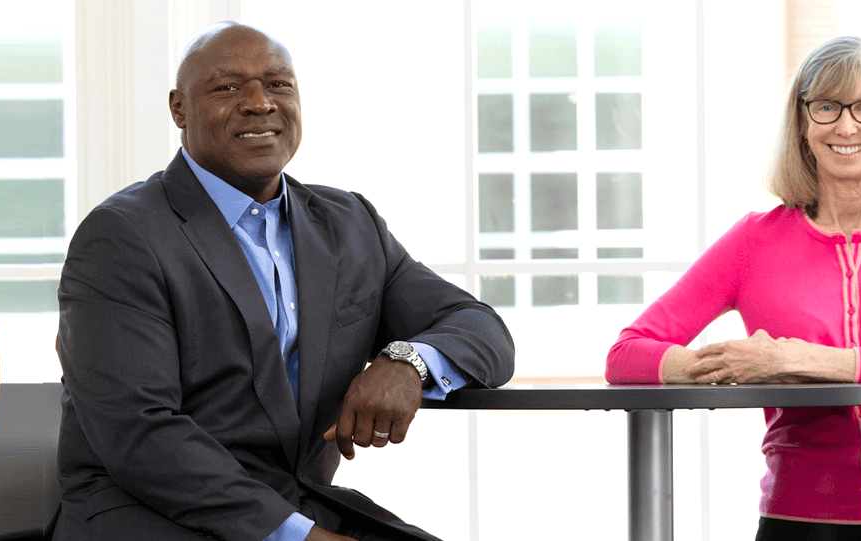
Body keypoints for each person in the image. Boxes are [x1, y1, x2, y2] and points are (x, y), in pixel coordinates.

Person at [51, 22, 515, 541]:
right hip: (148, 516)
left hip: (303, 502)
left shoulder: (348, 222)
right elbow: (139, 432)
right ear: (179, 109)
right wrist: (300, 537)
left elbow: (480, 328)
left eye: (278, 84)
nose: (259, 103)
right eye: (228, 87)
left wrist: (407, 363)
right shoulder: (122, 235)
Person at [606, 37, 861, 540]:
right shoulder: (753, 241)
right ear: (803, 125)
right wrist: (732, 365)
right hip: (802, 516)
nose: (846, 126)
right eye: (826, 107)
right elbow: (626, 355)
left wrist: (787, 359)